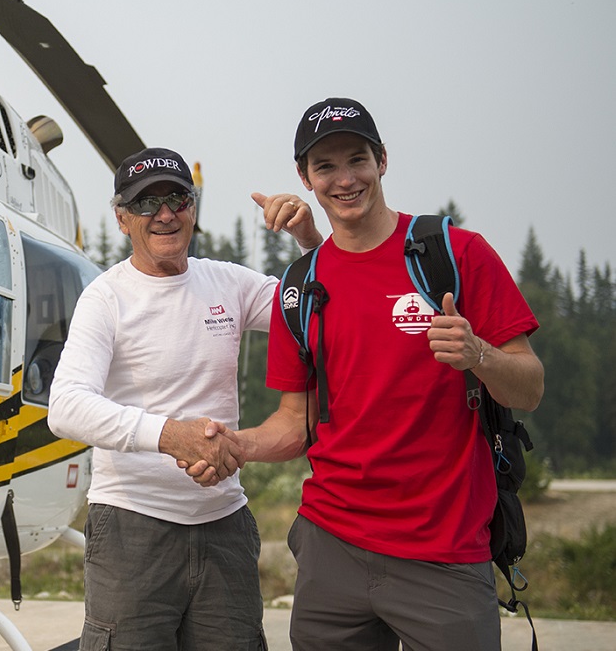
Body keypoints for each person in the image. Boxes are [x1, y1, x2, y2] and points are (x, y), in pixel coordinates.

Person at [187, 98, 545, 650]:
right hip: (333, 552)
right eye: (325, 166)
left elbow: (531, 385)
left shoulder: (455, 255)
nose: (345, 178)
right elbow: (296, 423)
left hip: (444, 555)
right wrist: (236, 444)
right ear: (305, 178)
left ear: (382, 160)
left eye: (357, 159)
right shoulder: (299, 287)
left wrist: (479, 355)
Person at [48, 146, 322, 650]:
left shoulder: (229, 282)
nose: (166, 214)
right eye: (147, 204)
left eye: (177, 198)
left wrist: (308, 239)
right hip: (131, 528)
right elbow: (65, 406)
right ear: (122, 218)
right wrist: (172, 436)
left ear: (193, 207)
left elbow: (317, 308)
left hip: (225, 525)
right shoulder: (106, 297)